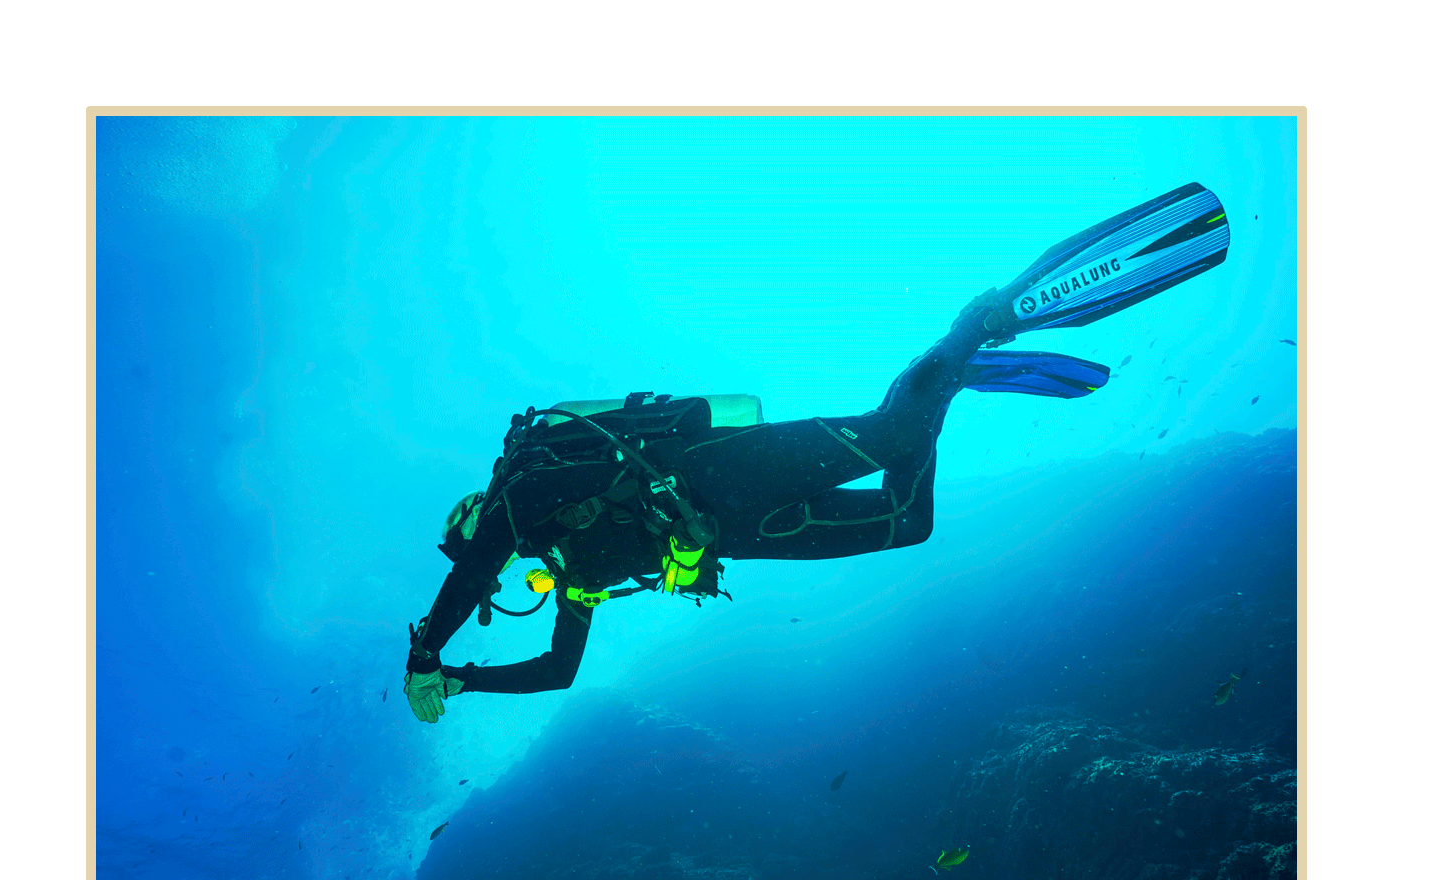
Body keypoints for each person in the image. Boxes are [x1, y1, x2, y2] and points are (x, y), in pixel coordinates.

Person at [403, 182, 1231, 722]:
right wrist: (461, 678)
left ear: (478, 507)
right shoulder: (568, 562)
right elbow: (558, 670)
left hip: (719, 469)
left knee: (894, 434)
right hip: (739, 533)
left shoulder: (526, 483)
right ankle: (956, 377)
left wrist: (422, 655)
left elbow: (472, 566)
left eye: (466, 527)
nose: (482, 548)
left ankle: (968, 329)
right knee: (910, 523)